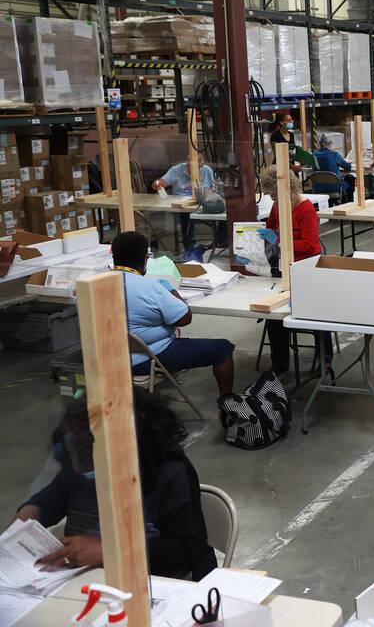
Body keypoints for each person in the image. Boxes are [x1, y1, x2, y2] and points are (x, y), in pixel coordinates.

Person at [14, 389, 218, 580]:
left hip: (161, 584)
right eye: (75, 442)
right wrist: (30, 513)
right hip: (93, 580)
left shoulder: (170, 471)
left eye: (89, 445)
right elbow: (48, 501)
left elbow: (188, 549)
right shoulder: (78, 460)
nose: (81, 456)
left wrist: (108, 551)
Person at [110, 231, 234, 397]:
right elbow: (185, 318)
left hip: (106, 357)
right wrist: (170, 290)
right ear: (146, 259)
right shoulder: (150, 287)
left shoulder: (92, 284)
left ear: (114, 256)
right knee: (223, 348)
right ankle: (227, 404)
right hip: (147, 358)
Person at [259, 165, 332, 376]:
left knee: (317, 312)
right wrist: (256, 234)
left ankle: (325, 359)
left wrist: (279, 242)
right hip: (285, 266)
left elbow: (309, 245)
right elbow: (270, 229)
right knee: (274, 316)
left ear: (286, 189)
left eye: (273, 194)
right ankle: (280, 361)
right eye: (269, 195)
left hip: (308, 265)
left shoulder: (305, 208)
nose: (271, 199)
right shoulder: (276, 206)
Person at [152, 159, 216, 252]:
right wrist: (158, 184)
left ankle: (221, 242)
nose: (191, 169)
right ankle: (189, 245)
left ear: (201, 166)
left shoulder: (207, 170)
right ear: (187, 163)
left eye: (196, 167)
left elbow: (214, 188)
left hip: (203, 203)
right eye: (189, 166)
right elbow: (164, 181)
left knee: (223, 210)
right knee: (187, 214)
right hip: (183, 204)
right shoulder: (176, 170)